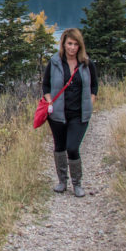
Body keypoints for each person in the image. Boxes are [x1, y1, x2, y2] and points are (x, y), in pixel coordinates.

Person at [41, 28, 98, 197]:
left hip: (79, 114)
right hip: (58, 114)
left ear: (80, 46)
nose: (72, 48)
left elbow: (94, 85)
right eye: (69, 44)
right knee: (59, 147)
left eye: (76, 44)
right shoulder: (54, 62)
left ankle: (77, 184)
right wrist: (50, 100)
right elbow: (46, 85)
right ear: (64, 44)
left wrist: (91, 100)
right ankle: (62, 181)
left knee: (72, 147)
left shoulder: (87, 64)